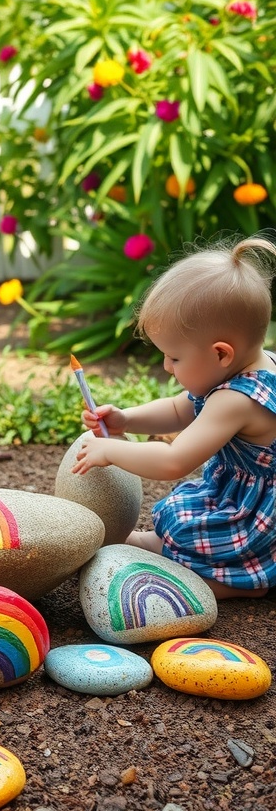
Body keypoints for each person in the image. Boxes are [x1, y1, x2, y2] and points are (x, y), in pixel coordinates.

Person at [72, 234, 276, 600]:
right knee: (185, 519)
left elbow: (173, 461)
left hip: (256, 519)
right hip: (240, 493)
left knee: (194, 530)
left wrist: (111, 451)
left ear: (221, 354)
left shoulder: (236, 400)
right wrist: (125, 419)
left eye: (175, 358)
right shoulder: (255, 363)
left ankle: (233, 581)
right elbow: (179, 408)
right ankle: (157, 548)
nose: (167, 367)